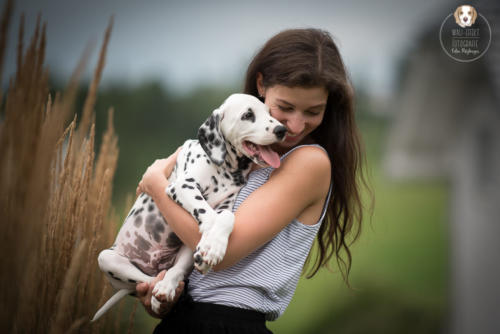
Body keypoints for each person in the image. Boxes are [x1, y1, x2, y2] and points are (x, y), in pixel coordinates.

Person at [134, 28, 368, 333]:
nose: (296, 125)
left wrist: (157, 186)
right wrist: (166, 295)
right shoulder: (239, 155)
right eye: (285, 108)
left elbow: (221, 255)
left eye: (314, 111)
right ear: (261, 85)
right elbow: (199, 264)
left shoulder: (310, 163)